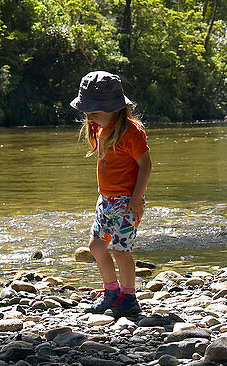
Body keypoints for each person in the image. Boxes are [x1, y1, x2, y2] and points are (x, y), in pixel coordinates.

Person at [71, 70, 152, 319]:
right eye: (88, 113)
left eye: (95, 112)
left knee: (120, 250)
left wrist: (137, 197)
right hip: (106, 200)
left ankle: (129, 298)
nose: (90, 117)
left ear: (114, 108)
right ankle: (111, 292)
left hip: (127, 202)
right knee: (96, 247)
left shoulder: (131, 132)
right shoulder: (103, 128)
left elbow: (145, 165)